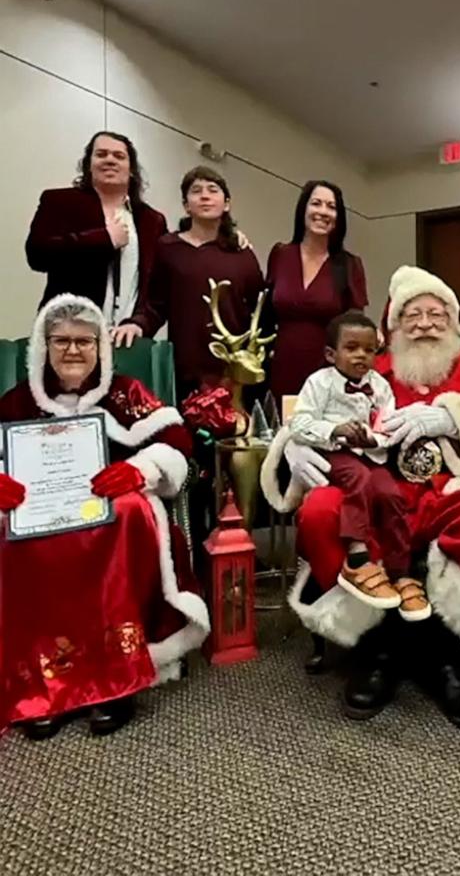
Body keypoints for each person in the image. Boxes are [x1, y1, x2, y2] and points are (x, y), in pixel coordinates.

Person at [261, 265, 460, 733]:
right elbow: (312, 410)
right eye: (413, 314)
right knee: (321, 510)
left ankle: (452, 654)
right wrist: (296, 440)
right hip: (381, 494)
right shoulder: (370, 371)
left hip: (459, 492)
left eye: (437, 313)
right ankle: (376, 648)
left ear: (455, 323)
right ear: (392, 328)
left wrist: (456, 421)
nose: (426, 323)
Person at [0, 294, 209, 740]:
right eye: (61, 341)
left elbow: (176, 441)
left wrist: (140, 469)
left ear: (100, 346)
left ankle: (117, 677)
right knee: (11, 530)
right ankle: (45, 682)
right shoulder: (18, 402)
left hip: (110, 518)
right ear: (43, 345)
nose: (73, 350)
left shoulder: (125, 392)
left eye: (84, 341)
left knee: (133, 510)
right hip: (43, 519)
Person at [290, 311, 430, 621]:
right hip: (334, 454)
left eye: (368, 350)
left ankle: (399, 570)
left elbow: (388, 427)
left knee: (391, 493)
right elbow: (298, 423)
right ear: (331, 354)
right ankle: (357, 554)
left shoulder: (379, 386)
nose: (361, 356)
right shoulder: (319, 383)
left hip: (369, 454)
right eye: (351, 348)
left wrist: (375, 441)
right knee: (359, 480)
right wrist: (335, 430)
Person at [112, 166, 265, 400]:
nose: (204, 196)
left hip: (232, 374)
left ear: (226, 204)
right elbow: (155, 304)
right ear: (186, 205)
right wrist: (137, 324)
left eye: (213, 190)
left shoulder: (242, 253)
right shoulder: (168, 248)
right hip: (184, 370)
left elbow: (260, 311)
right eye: (196, 191)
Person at [25, 132, 167, 325]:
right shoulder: (58, 202)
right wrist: (104, 239)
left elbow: (159, 287)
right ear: (88, 165)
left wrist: (140, 323)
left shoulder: (152, 221)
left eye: (119, 156)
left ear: (131, 169)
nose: (109, 160)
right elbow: (37, 255)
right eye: (101, 154)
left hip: (126, 340)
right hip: (68, 332)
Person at [266, 180, 368, 404]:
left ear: (339, 217)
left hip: (327, 374)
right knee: (283, 434)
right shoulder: (280, 254)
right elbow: (263, 314)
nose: (323, 212)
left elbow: (356, 326)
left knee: (322, 434)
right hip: (281, 368)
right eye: (316, 203)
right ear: (303, 209)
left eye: (331, 207)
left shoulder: (349, 264)